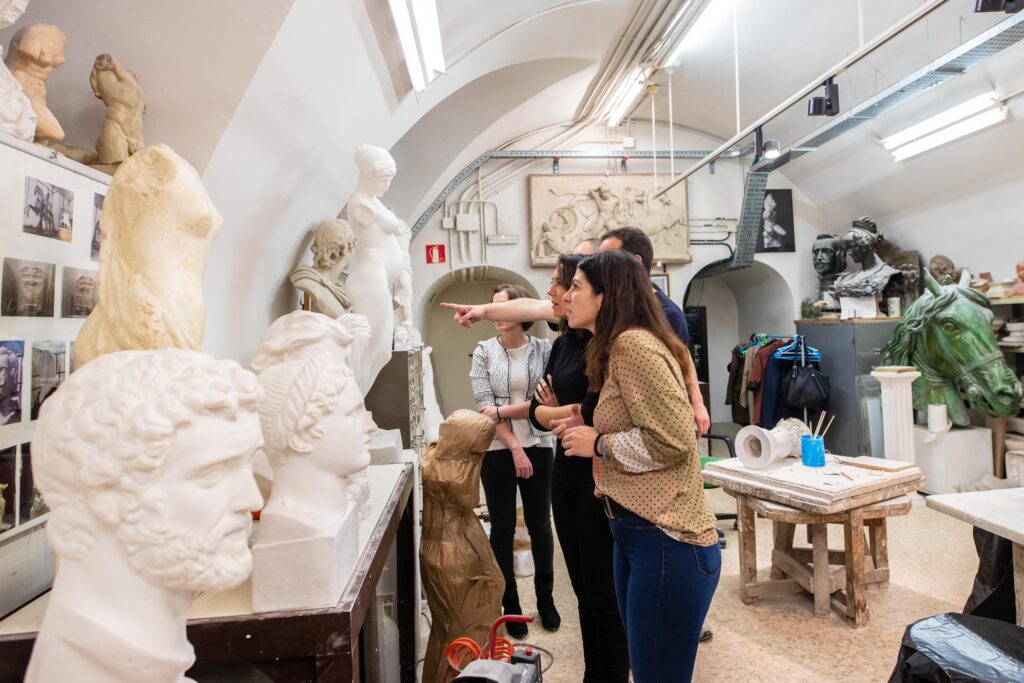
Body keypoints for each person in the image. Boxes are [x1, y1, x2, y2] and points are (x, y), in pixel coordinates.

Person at [447, 257, 631, 681]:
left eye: (561, 284)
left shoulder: (600, 344)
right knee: (581, 590)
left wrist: (555, 412)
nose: (551, 293)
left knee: (598, 592)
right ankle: (515, 606)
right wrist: (553, 413)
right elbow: (540, 410)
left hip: (588, 472)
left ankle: (550, 607)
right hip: (545, 458)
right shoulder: (559, 343)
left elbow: (585, 411)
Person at [560, 250, 721, 683]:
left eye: (576, 286)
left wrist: (599, 444)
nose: (567, 296)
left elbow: (674, 440)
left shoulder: (633, 345)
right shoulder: (617, 347)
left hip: (667, 537)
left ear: (605, 296)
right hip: (635, 530)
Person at [470, 284, 558, 637]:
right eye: (492, 308)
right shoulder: (483, 352)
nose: (495, 315)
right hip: (498, 451)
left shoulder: (544, 350)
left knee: (540, 525)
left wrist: (515, 414)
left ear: (521, 312)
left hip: (540, 444)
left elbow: (547, 404)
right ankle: (511, 605)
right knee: (503, 528)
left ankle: (546, 599)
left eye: (502, 307)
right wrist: (516, 449)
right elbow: (485, 407)